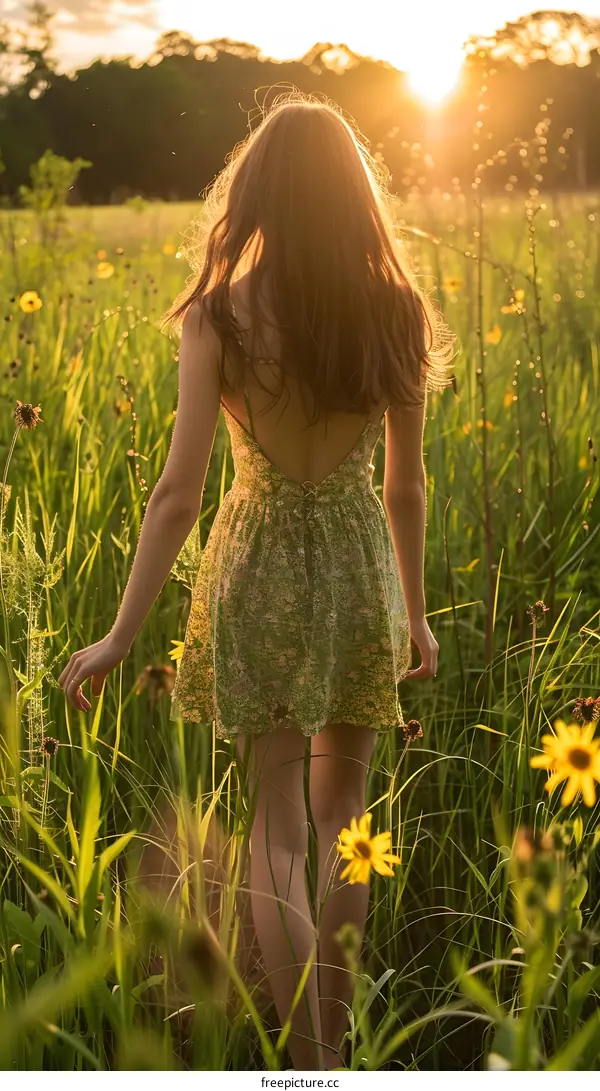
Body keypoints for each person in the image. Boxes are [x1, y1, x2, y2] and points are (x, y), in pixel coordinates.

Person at [58, 92, 454, 1070]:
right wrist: (414, 608)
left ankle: (307, 1059)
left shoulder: (220, 313)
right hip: (359, 570)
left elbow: (177, 494)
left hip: (258, 569)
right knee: (348, 819)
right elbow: (404, 486)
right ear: (354, 196)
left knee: (275, 827)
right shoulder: (395, 308)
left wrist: (118, 634)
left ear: (257, 190)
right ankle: (337, 1046)